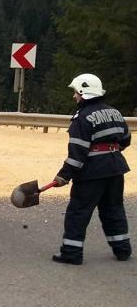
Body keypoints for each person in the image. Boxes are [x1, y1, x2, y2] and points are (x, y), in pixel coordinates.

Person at [52, 73, 132, 265]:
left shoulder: (82, 118)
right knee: (113, 209)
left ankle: (71, 253)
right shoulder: (114, 112)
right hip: (115, 169)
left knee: (78, 211)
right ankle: (122, 250)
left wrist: (64, 175)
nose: (74, 97)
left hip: (92, 173)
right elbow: (126, 139)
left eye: (75, 92)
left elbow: (77, 154)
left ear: (83, 92)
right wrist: (109, 151)